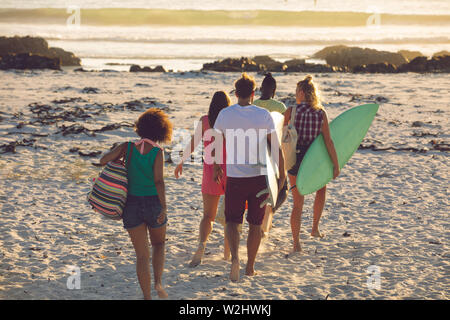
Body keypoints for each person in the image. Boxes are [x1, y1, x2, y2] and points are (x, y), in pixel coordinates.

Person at [213, 73, 286, 282]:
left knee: (232, 221)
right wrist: (279, 177)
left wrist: (218, 166)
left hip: (235, 177)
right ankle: (250, 267)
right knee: (255, 224)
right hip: (259, 178)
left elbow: (217, 143)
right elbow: (276, 147)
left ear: (236, 93)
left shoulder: (225, 115)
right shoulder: (263, 115)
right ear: (253, 93)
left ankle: (235, 258)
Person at [99, 108, 172, 300]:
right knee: (158, 244)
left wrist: (118, 152)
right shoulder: (157, 151)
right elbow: (158, 182)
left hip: (131, 205)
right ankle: (157, 283)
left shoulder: (128, 147)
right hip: (153, 203)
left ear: (140, 128)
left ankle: (146, 296)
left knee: (142, 256)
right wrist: (164, 207)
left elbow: (103, 160)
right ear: (161, 131)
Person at [283, 75, 340, 253]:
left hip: (295, 159)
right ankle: (314, 228)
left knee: (298, 204)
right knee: (321, 190)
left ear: (301, 92)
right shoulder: (320, 113)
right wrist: (335, 164)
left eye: (296, 91)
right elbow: (328, 141)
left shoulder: (290, 112)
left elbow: (284, 138)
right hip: (315, 160)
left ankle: (296, 243)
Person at [174, 91, 231, 267]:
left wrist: (181, 161)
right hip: (229, 170)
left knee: (208, 215)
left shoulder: (205, 121)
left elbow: (193, 142)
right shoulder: (230, 121)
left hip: (209, 171)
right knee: (231, 216)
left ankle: (201, 245)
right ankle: (227, 253)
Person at [253, 73, 288, 237]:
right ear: (274, 90)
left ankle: (262, 223)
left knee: (260, 189)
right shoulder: (280, 107)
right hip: (274, 153)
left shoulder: (253, 105)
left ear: (261, 88)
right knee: (281, 191)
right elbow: (285, 133)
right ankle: (266, 221)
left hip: (256, 154)